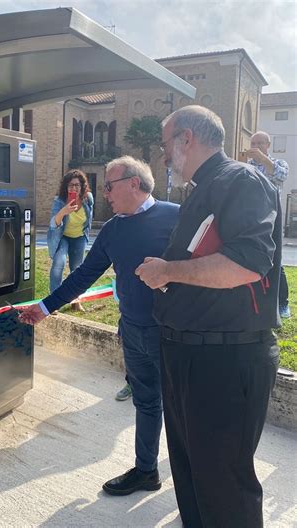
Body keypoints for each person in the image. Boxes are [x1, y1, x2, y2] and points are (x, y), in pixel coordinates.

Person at [137, 106, 280, 528]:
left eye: (166, 145)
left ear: (186, 139)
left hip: (225, 361)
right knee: (192, 476)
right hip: (189, 355)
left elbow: (249, 263)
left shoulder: (240, 179)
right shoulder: (204, 188)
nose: (164, 157)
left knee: (223, 487)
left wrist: (167, 271)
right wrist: (169, 278)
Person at [19, 156, 179, 496]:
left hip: (173, 334)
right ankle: (147, 471)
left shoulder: (176, 217)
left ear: (134, 184)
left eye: (109, 186)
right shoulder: (113, 229)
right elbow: (84, 276)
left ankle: (196, 482)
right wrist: (44, 308)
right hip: (132, 331)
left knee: (185, 409)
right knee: (147, 403)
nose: (104, 194)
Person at [246, 131, 291, 318]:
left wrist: (263, 159)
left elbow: (280, 176)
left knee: (276, 262)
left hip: (272, 217)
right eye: (253, 143)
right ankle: (256, 300)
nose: (255, 146)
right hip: (250, 218)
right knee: (251, 258)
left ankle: (283, 303)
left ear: (268, 145)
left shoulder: (279, 163)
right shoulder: (245, 167)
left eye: (260, 143)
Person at [47, 169, 94, 311]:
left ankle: (76, 301)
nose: (74, 188)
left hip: (79, 237)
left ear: (82, 187)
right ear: (66, 187)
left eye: (77, 185)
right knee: (58, 264)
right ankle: (53, 303)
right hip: (63, 237)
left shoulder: (88, 198)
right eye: (71, 185)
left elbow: (89, 217)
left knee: (77, 269)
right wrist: (64, 211)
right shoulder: (59, 201)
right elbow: (52, 224)